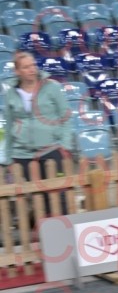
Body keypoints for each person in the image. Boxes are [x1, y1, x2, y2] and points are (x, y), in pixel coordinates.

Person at [3, 50, 71, 217]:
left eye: (33, 65)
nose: (32, 69)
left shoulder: (52, 87)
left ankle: (65, 228)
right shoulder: (11, 93)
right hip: (22, 154)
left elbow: (66, 117)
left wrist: (65, 146)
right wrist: (8, 157)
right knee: (38, 196)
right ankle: (46, 229)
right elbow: (10, 126)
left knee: (59, 194)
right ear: (17, 71)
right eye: (26, 67)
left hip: (51, 149)